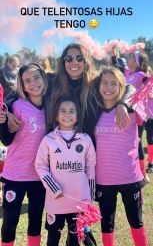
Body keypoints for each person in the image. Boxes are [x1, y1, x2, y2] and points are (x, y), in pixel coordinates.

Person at [5, 43, 134, 246]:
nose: (74, 62)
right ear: (63, 62)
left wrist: (122, 103)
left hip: (84, 153)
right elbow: (21, 90)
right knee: (56, 221)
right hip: (56, 153)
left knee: (80, 215)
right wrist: (8, 110)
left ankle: (85, 231)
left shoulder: (94, 83)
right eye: (69, 58)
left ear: (86, 61)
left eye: (79, 58)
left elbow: (127, 86)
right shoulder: (52, 80)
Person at [94, 66, 148, 246]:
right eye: (104, 82)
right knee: (106, 224)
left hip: (130, 178)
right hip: (103, 179)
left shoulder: (133, 109)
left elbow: (137, 92)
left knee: (136, 221)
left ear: (121, 87)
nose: (108, 87)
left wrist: (123, 104)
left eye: (114, 84)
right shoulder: (93, 111)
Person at [35, 96, 96, 246]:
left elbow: (91, 167)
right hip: (56, 200)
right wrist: (53, 187)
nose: (67, 114)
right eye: (63, 111)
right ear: (56, 115)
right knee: (53, 239)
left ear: (77, 116)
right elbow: (40, 165)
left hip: (79, 201)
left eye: (71, 111)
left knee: (75, 239)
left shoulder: (85, 139)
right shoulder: (48, 139)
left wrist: (90, 196)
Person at [0, 63, 47, 246]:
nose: (33, 83)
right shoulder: (17, 106)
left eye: (36, 77)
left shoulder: (51, 105)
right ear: (22, 84)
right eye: (27, 80)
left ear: (44, 78)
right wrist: (3, 119)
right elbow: (6, 140)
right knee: (10, 223)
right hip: (15, 176)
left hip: (39, 177)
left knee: (35, 223)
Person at [125, 51, 150, 183]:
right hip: (126, 113)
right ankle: (135, 170)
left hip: (137, 114)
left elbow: (149, 86)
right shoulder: (128, 74)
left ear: (137, 61)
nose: (128, 60)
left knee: (137, 141)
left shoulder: (141, 75)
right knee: (131, 142)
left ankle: (143, 174)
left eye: (130, 58)